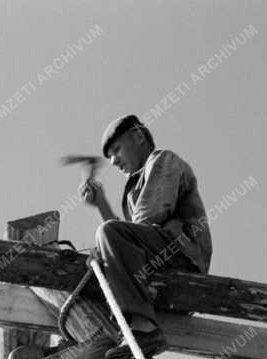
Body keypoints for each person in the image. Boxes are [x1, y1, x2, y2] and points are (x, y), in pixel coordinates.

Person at [80, 113, 212, 336]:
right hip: (159, 253)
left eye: (117, 150)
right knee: (107, 243)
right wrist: (101, 204)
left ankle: (143, 327)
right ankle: (121, 327)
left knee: (108, 236)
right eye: (110, 156)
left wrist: (107, 246)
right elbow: (126, 242)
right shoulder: (134, 188)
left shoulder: (163, 160)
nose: (114, 161)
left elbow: (149, 217)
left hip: (182, 255)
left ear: (138, 136)